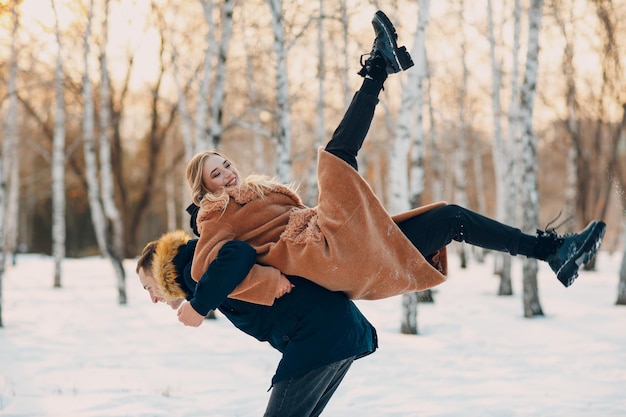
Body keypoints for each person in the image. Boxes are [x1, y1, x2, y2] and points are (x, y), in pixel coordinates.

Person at [184, 10, 606, 308]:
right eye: (216, 175)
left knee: (450, 219)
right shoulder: (213, 217)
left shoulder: (261, 193)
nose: (228, 174)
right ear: (206, 189)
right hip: (325, 253)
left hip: (342, 250)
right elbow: (206, 271)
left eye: (226, 164)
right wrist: (268, 283)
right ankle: (379, 69)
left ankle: (551, 252)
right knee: (336, 157)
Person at [136, 231, 378, 417]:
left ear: (160, 272)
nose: (153, 299)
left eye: (149, 288)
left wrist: (199, 306)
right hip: (338, 330)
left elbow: (239, 253)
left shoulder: (194, 268)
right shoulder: (197, 269)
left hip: (319, 334)